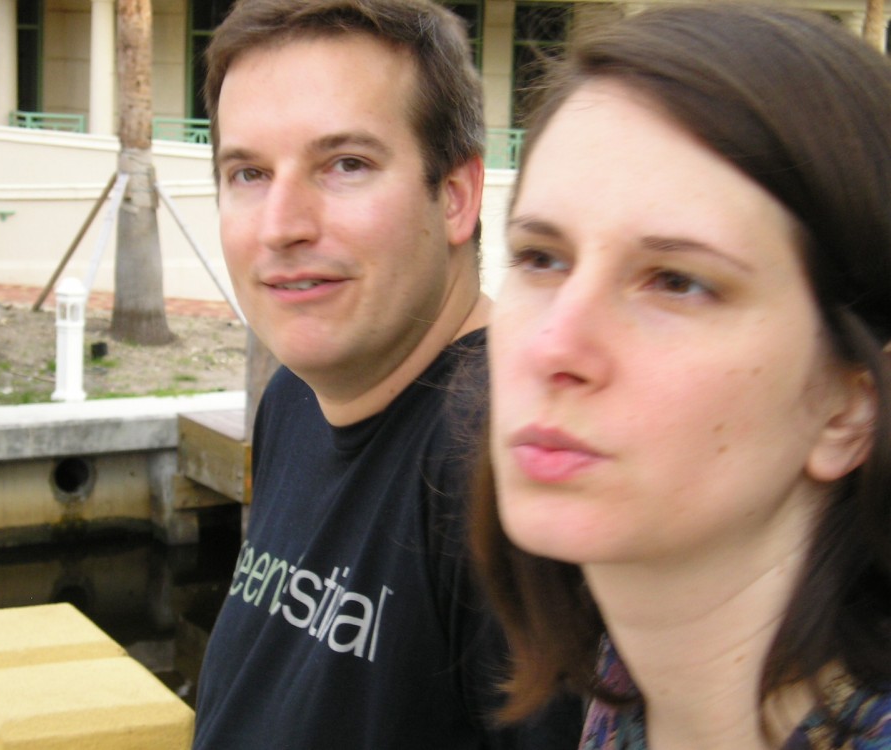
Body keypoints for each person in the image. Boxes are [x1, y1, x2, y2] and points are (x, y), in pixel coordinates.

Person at [470, 4, 891, 749]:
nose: (553, 344)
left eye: (677, 282)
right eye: (542, 258)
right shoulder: (622, 692)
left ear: (848, 408)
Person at [192, 1, 582, 747]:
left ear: (457, 197)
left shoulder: (505, 456)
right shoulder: (294, 401)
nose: (281, 225)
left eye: (346, 165)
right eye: (249, 173)